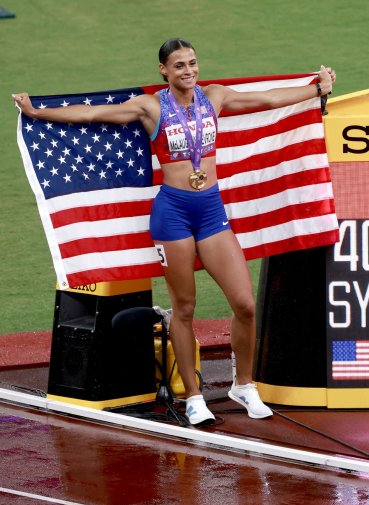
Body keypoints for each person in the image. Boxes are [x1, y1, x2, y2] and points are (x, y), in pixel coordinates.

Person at [12, 38, 336, 426]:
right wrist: (37, 111)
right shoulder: (151, 107)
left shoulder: (214, 97)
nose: (188, 71)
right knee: (184, 308)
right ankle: (194, 397)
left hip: (211, 211)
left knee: (245, 304)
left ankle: (244, 385)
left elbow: (267, 99)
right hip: (173, 214)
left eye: (192, 63)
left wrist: (316, 89)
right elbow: (92, 114)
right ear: (164, 70)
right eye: (179, 65)